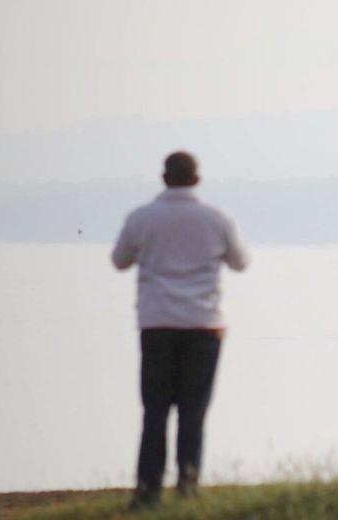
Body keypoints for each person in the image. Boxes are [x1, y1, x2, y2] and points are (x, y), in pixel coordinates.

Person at [111, 151, 249, 509]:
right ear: (196, 179)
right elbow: (240, 262)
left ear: (164, 177)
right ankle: (187, 488)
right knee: (193, 412)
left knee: (155, 412)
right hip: (203, 326)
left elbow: (120, 261)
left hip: (157, 325)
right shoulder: (217, 219)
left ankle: (147, 492)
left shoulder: (142, 218)